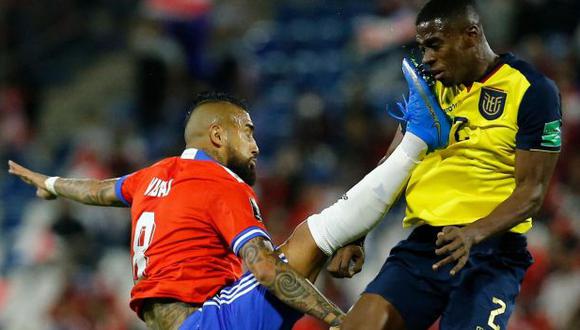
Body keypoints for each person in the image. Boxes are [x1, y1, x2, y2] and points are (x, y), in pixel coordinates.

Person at [9, 84, 450, 329]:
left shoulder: (154, 175)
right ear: (218, 136)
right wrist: (337, 319)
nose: (256, 145)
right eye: (248, 132)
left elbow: (98, 190)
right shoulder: (220, 183)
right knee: (310, 237)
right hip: (210, 323)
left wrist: (48, 183)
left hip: (182, 323)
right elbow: (263, 268)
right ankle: (418, 136)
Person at [340, 1, 563, 329]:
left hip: (492, 253)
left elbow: (532, 193)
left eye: (435, 45)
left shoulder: (533, 91)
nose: (427, 57)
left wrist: (472, 233)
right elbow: (392, 165)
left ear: (470, 35)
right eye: (422, 48)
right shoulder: (429, 88)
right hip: (424, 247)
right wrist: (358, 232)